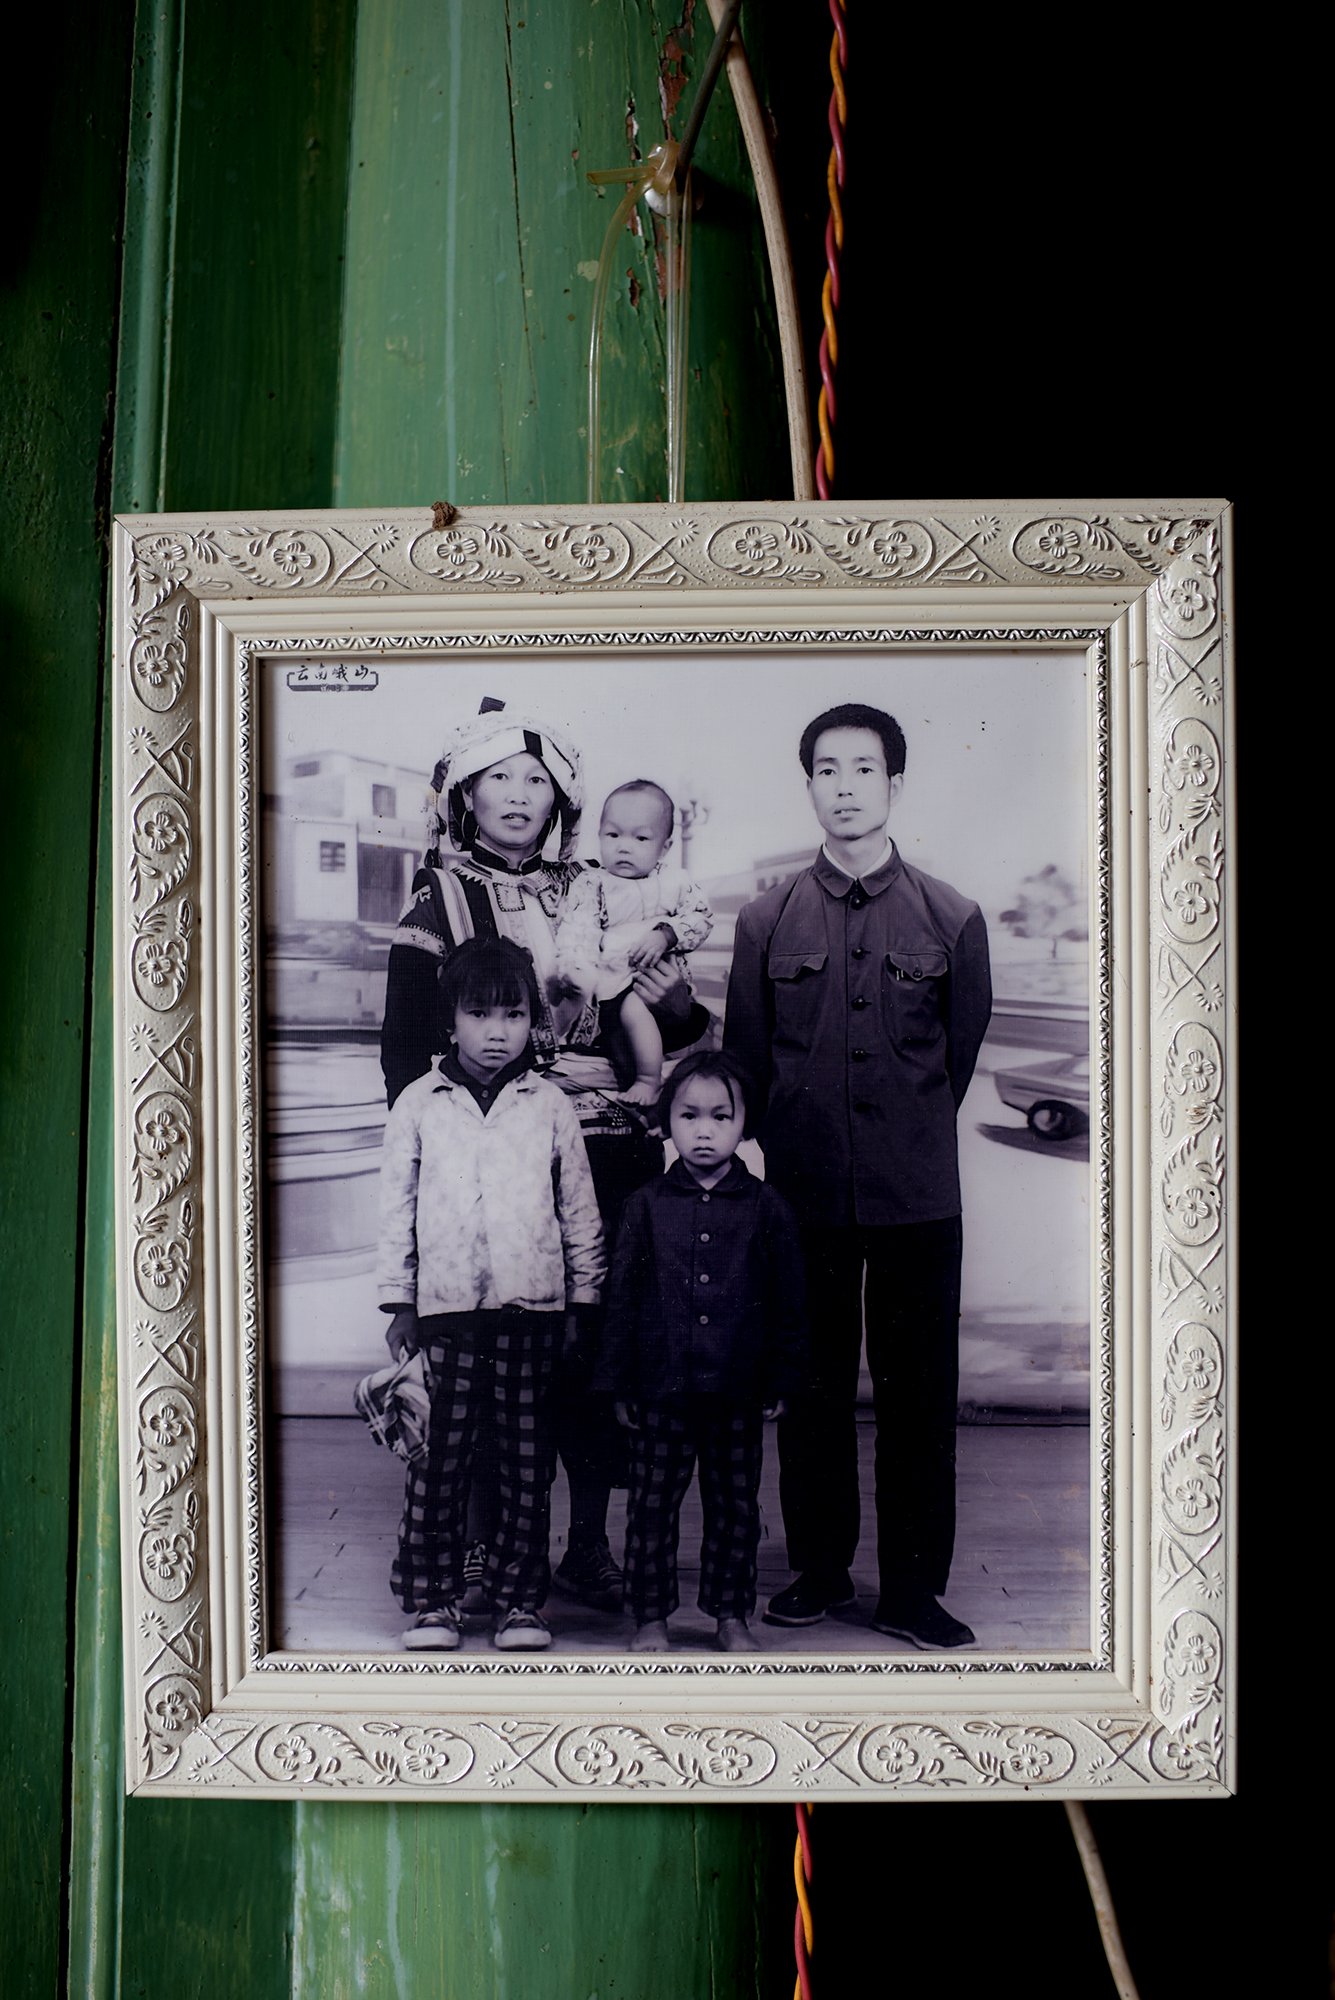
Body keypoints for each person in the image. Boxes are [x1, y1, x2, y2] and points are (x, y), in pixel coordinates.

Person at [380, 699, 711, 1617]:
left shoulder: (596, 886)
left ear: (559, 794)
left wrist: (671, 1000)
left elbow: (666, 1026)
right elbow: (405, 1053)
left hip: (606, 1151)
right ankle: (485, 1553)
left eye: (535, 780)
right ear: (466, 796)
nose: (518, 797)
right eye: (498, 780)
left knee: (594, 1352)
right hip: (493, 1155)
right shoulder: (439, 898)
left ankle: (584, 1546)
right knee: (491, 1358)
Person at [723, 703, 992, 1650]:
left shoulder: (951, 916)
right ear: (808, 786)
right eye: (826, 770)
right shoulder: (764, 921)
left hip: (918, 1196)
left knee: (919, 1396)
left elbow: (952, 1063)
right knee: (813, 1389)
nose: (844, 787)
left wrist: (901, 1141)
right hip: (803, 1195)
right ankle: (819, 1570)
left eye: (863, 770)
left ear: (894, 785)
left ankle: (913, 1591)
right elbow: (748, 1062)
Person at [378, 937, 605, 1651]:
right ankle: (434, 1602)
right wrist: (400, 1304)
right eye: (479, 1013)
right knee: (439, 1465)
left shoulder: (548, 1106)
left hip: (530, 1312)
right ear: (451, 1020)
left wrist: (582, 1301)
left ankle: (518, 1605)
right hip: (445, 1316)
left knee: (523, 1466)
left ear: (532, 1021)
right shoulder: (420, 1103)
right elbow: (396, 1207)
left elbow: (579, 1208)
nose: (496, 1030)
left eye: (512, 1013)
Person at [592, 1052, 807, 1654]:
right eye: (689, 1116)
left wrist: (782, 1380)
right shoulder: (645, 1205)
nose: (704, 1130)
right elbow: (622, 1301)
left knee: (736, 1509)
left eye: (720, 1117)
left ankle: (731, 1615)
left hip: (738, 1389)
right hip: (660, 1388)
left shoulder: (768, 1208)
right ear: (667, 1123)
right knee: (651, 1507)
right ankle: (650, 1617)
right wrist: (619, 1384)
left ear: (745, 1127)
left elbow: (790, 1304)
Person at [553, 779, 714, 1108]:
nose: (624, 847)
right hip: (612, 974)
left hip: (654, 973)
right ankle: (642, 1082)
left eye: (640, 838)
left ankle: (650, 1080)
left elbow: (700, 917)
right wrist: (576, 968)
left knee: (642, 1014)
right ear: (598, 836)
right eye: (613, 835)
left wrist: (667, 932)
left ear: (664, 847)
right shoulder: (592, 884)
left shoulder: (675, 882)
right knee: (625, 1025)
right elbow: (578, 927)